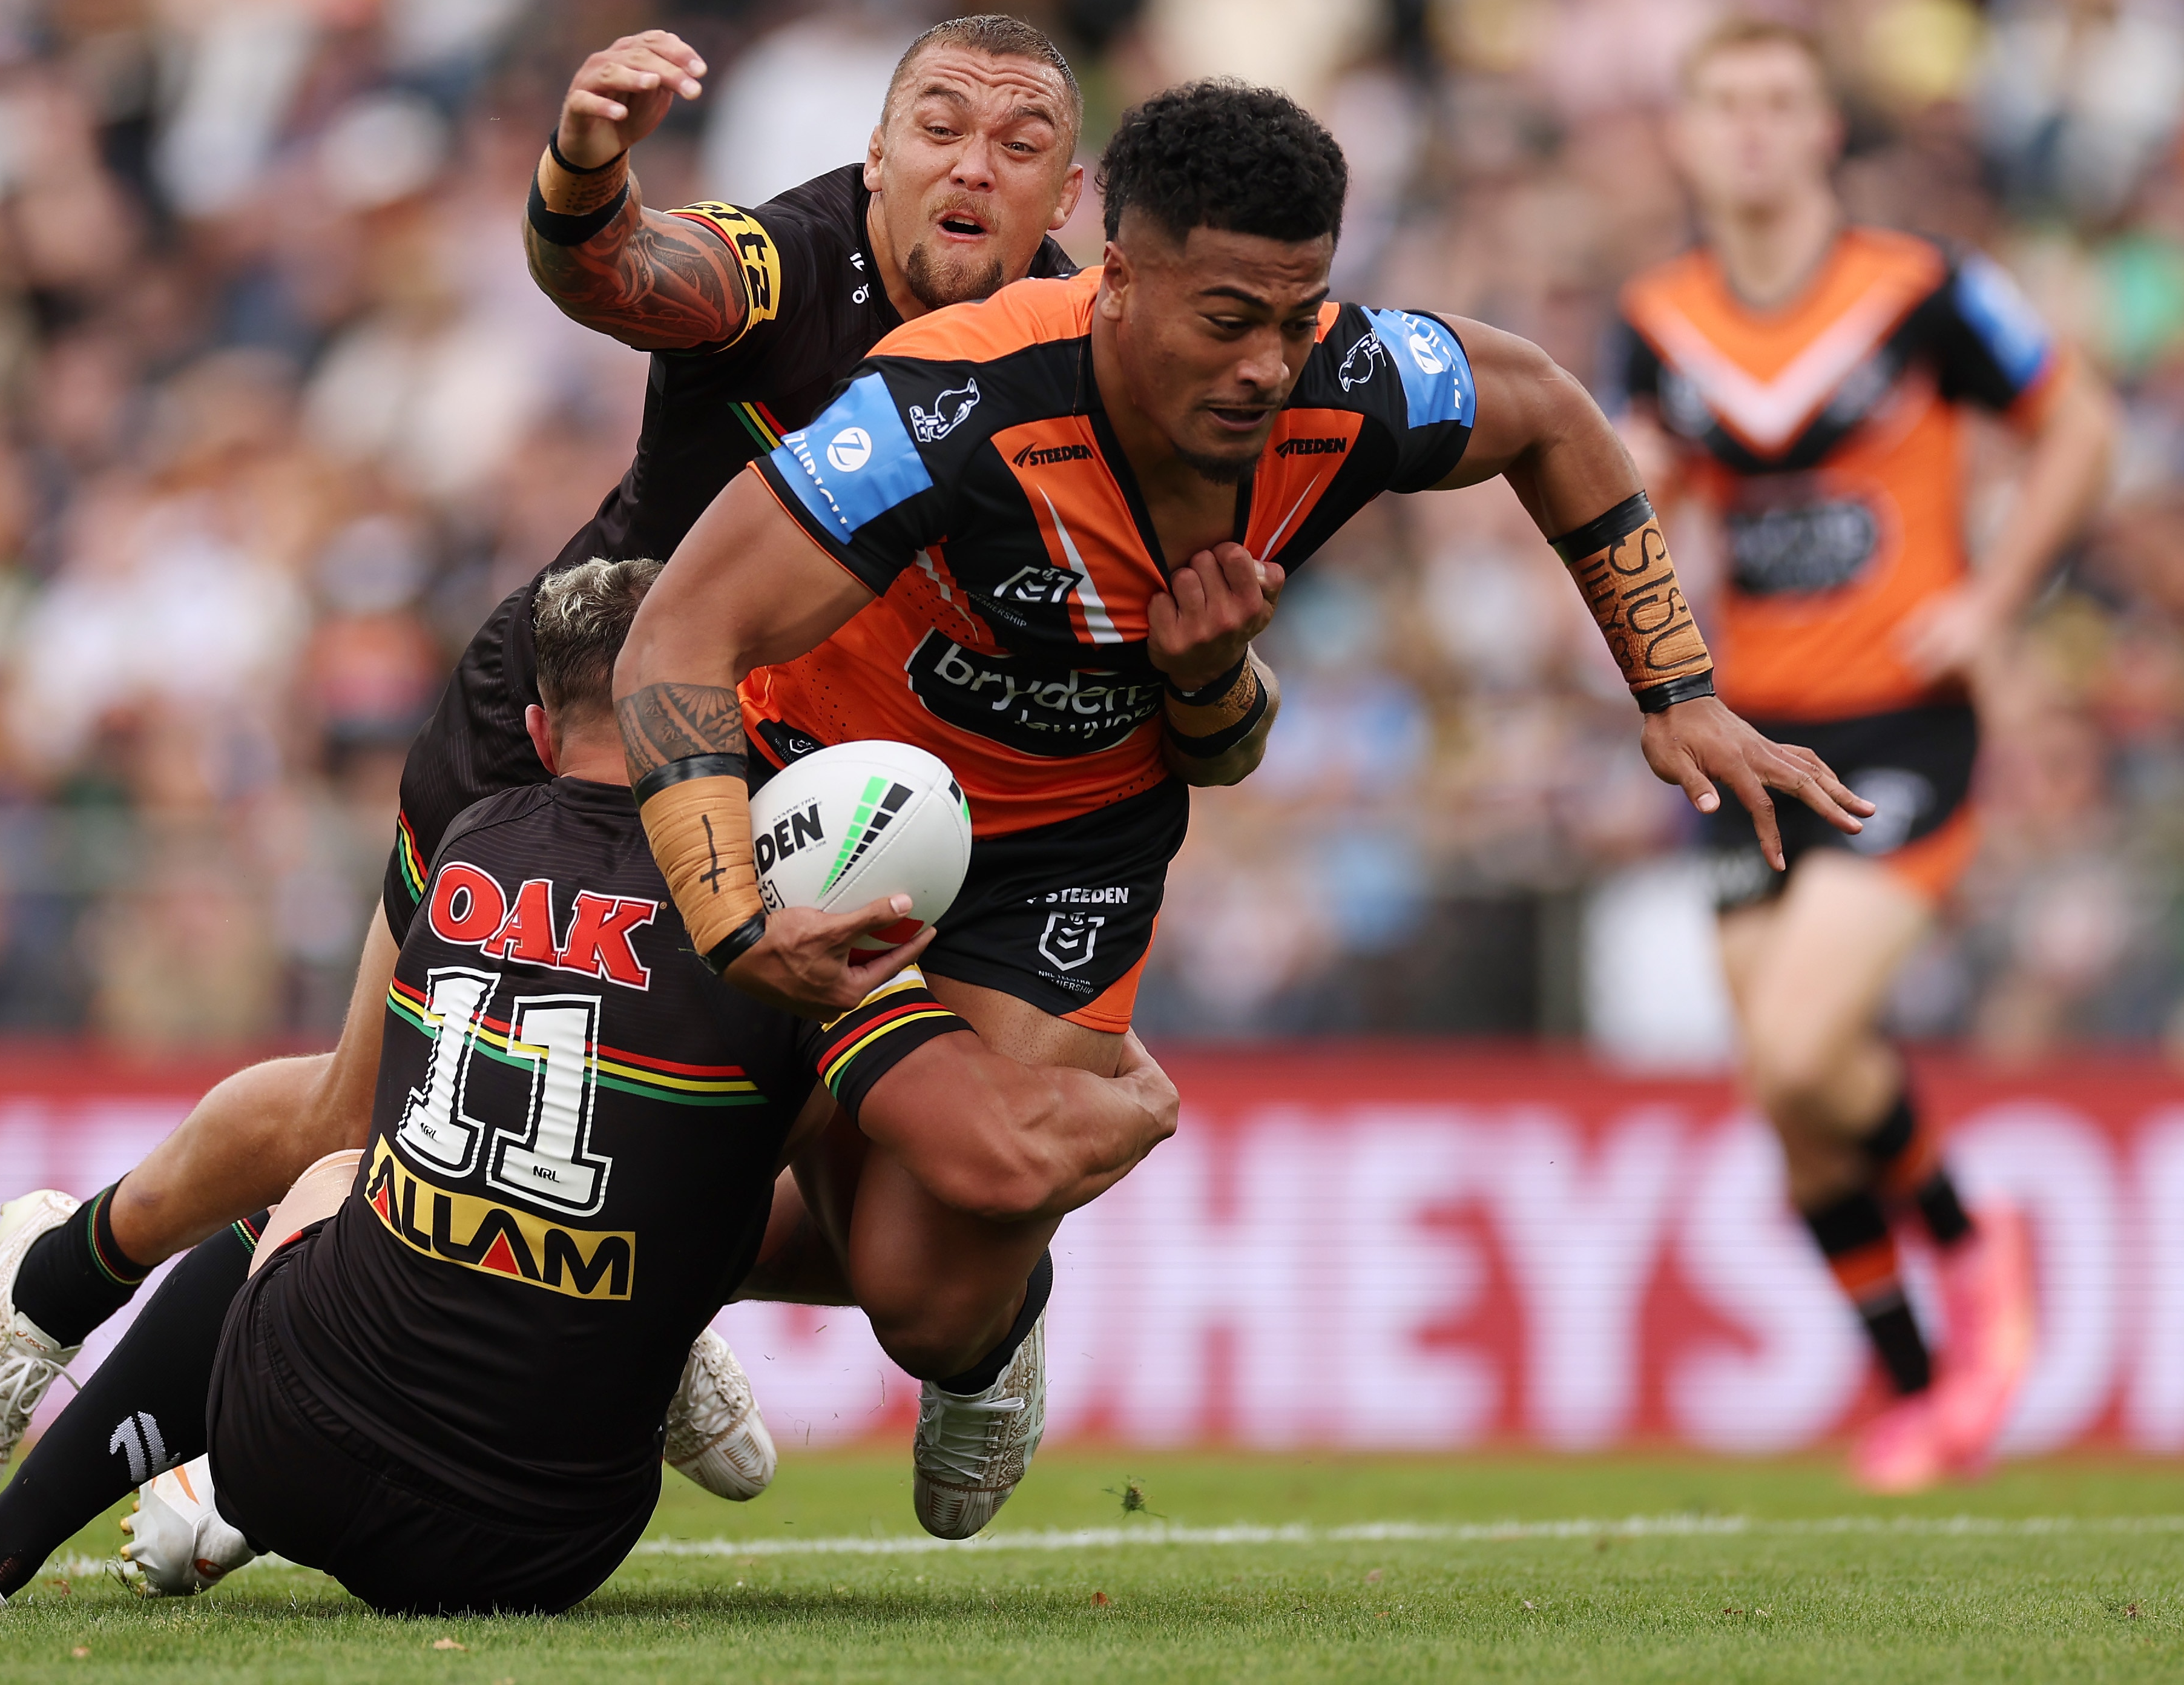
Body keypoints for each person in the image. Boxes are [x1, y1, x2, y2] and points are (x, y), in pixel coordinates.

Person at [0, 15, 1091, 1524]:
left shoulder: (1087, 351)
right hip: (577, 702)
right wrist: (584, 161)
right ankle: (47, 1285)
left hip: (814, 767)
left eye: (1015, 140)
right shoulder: (789, 262)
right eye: (937, 125)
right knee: (362, 1117)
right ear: (875, 148)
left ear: (1068, 195)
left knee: (768, 1157)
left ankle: (785, 1321)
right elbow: (615, 267)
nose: (968, 164)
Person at [611, 79, 1876, 1469]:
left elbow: (1550, 415)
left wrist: (1676, 687)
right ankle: (664, 1289)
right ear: (1117, 279)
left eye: (1297, 314)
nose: (1269, 364)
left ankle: (991, 1290)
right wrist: (733, 915)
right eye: (1226, 321)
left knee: (928, 1295)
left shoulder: (1353, 377)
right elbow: (677, 635)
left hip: (1067, 845)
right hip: (840, 798)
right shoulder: (947, 406)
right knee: (656, 1177)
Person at [0, 559, 1177, 1616]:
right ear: (719, 708)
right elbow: (974, 1157)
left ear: (535, 728)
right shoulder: (772, 921)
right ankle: (765, 1342)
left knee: (351, 1171)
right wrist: (1132, 1106)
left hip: (293, 1447)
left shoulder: (474, 832)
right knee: (725, 1162)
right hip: (557, 1546)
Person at [1617, 19, 2116, 1492]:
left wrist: (1993, 589)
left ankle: (1971, 1244)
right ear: (1685, 139)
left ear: (1825, 128)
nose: (1755, 131)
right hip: (1744, 736)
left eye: (1782, 102)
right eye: (1727, 106)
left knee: (1794, 1047)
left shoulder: (1924, 288)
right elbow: (1636, 489)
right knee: (1790, 1094)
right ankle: (1919, 1393)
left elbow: (2075, 424)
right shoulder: (1653, 317)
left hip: (1901, 721)